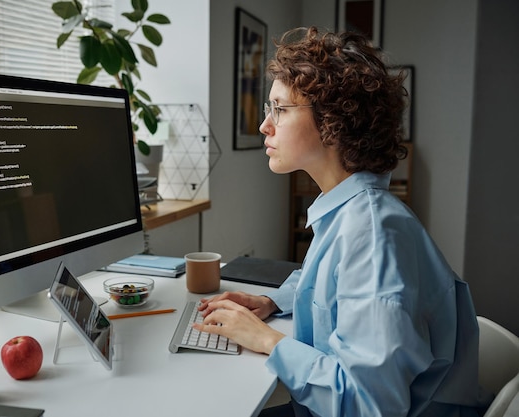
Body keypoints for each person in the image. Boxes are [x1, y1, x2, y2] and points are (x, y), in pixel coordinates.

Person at [194, 27, 489, 417]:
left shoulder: (371, 232)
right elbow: (326, 286)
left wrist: (268, 341)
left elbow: (370, 405)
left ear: (333, 120)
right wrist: (269, 302)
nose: (265, 125)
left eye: (279, 109)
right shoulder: (349, 210)